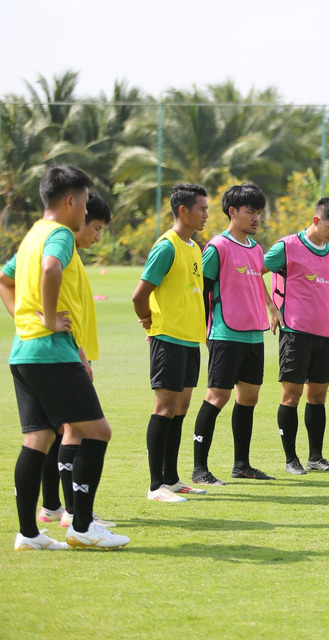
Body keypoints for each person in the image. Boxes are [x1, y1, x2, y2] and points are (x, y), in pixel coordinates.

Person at [1, 165, 128, 549]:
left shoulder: (31, 236)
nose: (86, 211)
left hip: (24, 351)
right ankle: (83, 527)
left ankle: (28, 534)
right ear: (70, 201)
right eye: (85, 203)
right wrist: (49, 320)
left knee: (38, 438)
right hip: (50, 352)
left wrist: (25, 318)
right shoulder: (59, 234)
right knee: (97, 432)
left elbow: (4, 279)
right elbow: (51, 267)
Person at [191, 183, 278, 487]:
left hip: (254, 335)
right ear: (233, 212)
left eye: (258, 212)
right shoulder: (217, 247)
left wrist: (271, 307)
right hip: (225, 334)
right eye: (250, 212)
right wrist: (203, 331)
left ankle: (242, 465)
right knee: (218, 397)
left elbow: (256, 283)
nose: (256, 218)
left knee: (249, 398)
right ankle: (199, 468)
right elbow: (201, 292)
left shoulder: (256, 249)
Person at [132, 183, 209, 502]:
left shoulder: (194, 247)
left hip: (190, 340)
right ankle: (155, 486)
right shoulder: (166, 247)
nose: (206, 214)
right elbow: (139, 296)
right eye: (202, 208)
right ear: (183, 210)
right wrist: (149, 321)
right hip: (168, 339)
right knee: (164, 407)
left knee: (180, 408)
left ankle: (172, 479)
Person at [263, 197, 329, 474]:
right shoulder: (287, 246)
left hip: (325, 333)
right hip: (295, 333)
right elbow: (253, 272)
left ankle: (316, 458)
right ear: (315, 220)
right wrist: (271, 307)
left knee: (318, 396)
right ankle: (291, 460)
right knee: (292, 395)